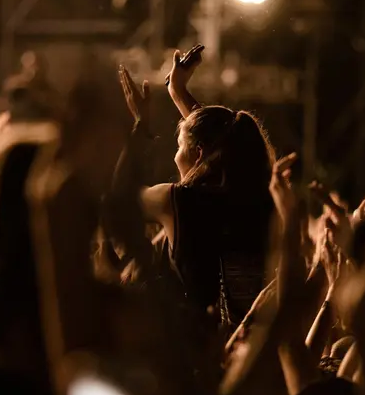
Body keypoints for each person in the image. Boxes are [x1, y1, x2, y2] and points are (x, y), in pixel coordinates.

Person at [113, 47, 276, 331]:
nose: (175, 155)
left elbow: (120, 196)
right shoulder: (261, 201)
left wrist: (141, 126)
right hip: (246, 350)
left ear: (199, 154)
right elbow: (227, 143)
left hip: (191, 358)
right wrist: (177, 92)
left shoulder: (179, 201)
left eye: (179, 148)